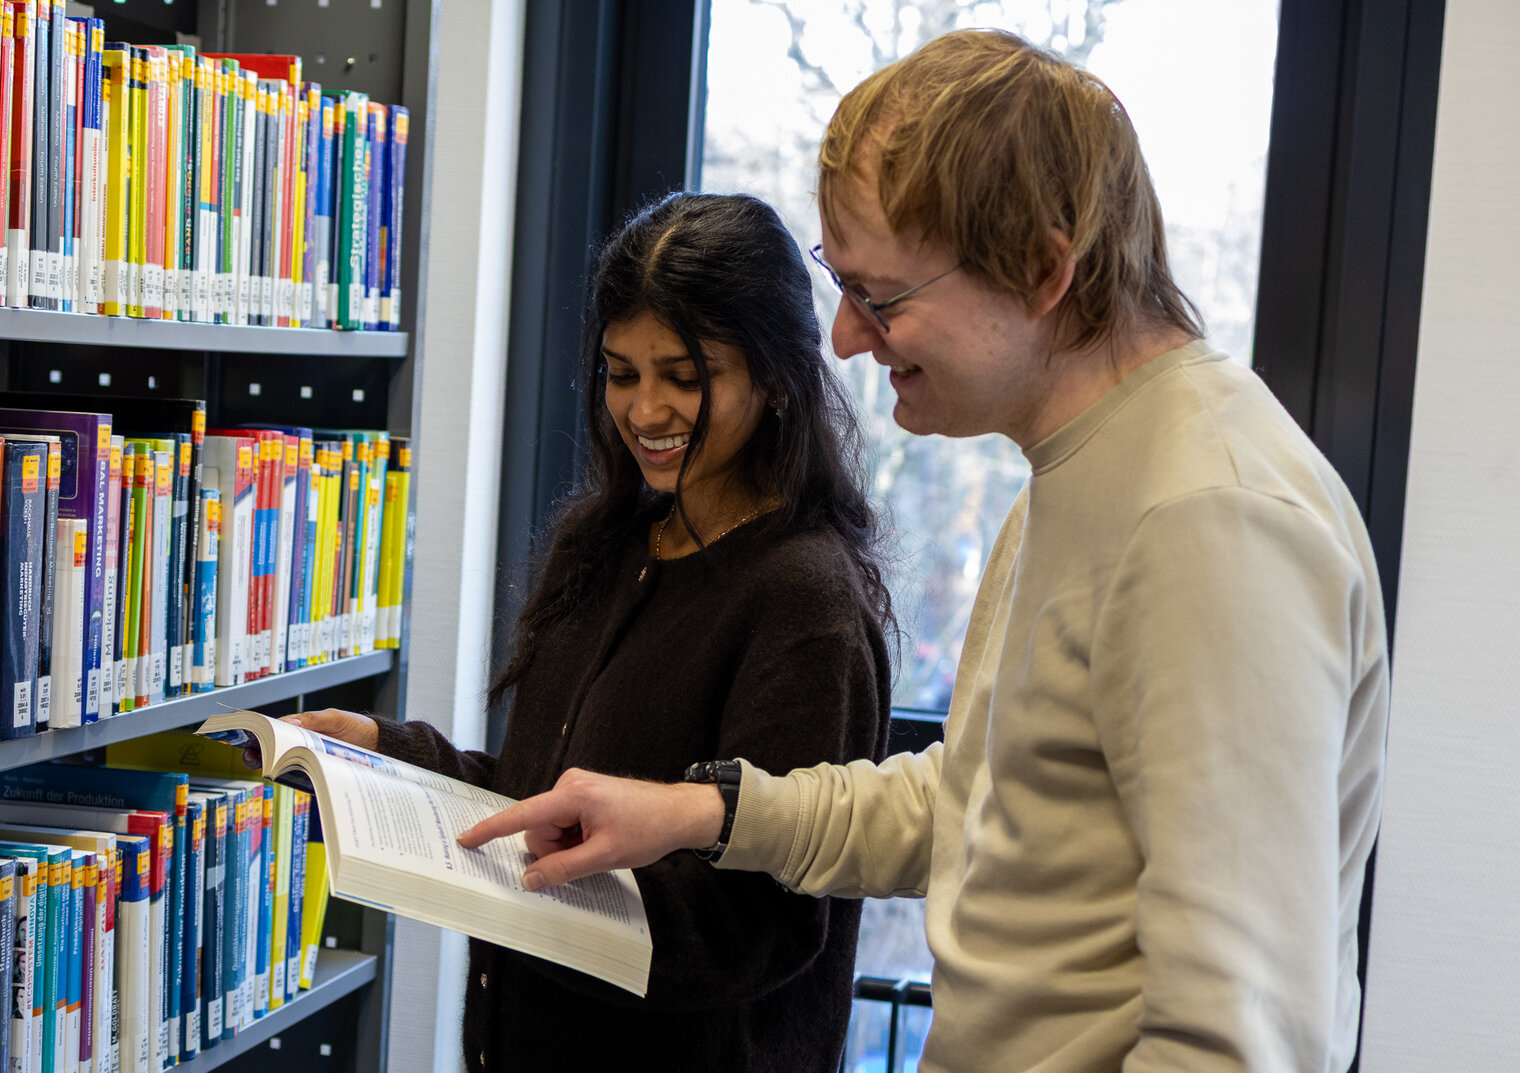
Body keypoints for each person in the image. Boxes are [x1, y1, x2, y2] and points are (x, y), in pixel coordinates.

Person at [462, 29, 1390, 1073]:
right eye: (840, 285)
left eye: (882, 297)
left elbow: (1238, 1037)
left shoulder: (1211, 519)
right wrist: (698, 810)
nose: (848, 339)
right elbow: (977, 798)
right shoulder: (1078, 473)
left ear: (1044, 268)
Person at [278, 192, 894, 1071]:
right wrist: (382, 750)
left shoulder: (803, 600)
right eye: (620, 372)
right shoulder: (602, 542)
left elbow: (763, 926)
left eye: (685, 376)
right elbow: (543, 798)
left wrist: (536, 908)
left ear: (774, 374)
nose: (646, 411)